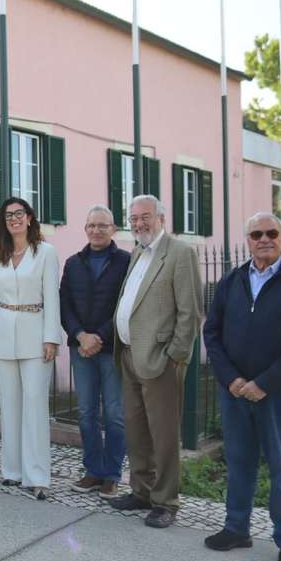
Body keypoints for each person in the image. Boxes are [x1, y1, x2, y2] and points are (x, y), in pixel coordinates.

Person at [203, 213, 281, 561]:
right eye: (257, 233)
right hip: (236, 393)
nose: (264, 239)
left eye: (272, 233)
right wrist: (232, 380)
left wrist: (263, 383)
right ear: (248, 239)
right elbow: (212, 333)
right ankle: (237, 529)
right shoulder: (232, 280)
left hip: (280, 395)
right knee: (239, 465)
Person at [109, 194, 202, 528]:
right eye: (133, 218)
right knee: (136, 431)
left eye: (144, 217)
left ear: (161, 217)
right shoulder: (137, 252)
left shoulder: (179, 253)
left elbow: (190, 312)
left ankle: (166, 502)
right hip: (130, 356)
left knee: (163, 435)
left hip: (160, 361)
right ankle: (142, 491)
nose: (138, 224)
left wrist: (175, 357)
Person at [0, 198, 60, 500]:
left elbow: (53, 297)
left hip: (36, 333)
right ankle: (11, 471)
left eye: (19, 214)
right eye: (8, 215)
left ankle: (37, 476)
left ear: (29, 218)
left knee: (35, 406)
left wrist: (51, 337)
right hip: (2, 334)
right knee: (9, 406)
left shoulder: (45, 252)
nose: (14, 219)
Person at [60, 205, 130, 500]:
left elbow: (126, 305)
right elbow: (64, 304)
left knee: (114, 414)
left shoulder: (126, 261)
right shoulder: (74, 263)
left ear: (113, 229)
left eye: (103, 225)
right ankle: (93, 470)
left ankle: (112, 474)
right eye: (92, 225)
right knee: (87, 413)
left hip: (111, 348)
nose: (97, 230)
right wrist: (79, 335)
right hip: (81, 348)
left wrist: (99, 336)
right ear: (85, 229)